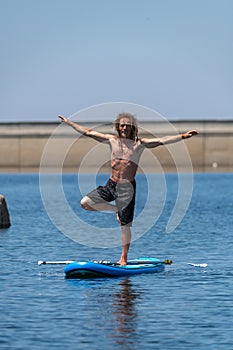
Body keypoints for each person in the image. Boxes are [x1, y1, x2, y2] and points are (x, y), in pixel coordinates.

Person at [58, 113, 198, 265]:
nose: (124, 128)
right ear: (118, 127)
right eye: (122, 125)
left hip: (127, 189)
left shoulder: (139, 144)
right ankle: (115, 210)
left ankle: (123, 257)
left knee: (125, 226)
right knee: (85, 203)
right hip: (110, 185)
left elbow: (161, 141)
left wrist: (183, 136)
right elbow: (88, 132)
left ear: (133, 128)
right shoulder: (112, 140)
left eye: (127, 125)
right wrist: (69, 123)